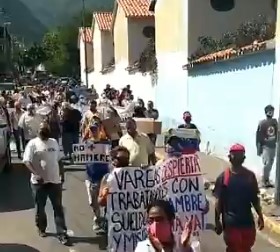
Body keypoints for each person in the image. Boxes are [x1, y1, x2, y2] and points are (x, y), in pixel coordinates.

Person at [23, 122, 69, 245]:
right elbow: (27, 161)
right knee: (40, 207)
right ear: (38, 131)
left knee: (58, 208)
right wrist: (35, 174)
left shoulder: (54, 142)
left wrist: (62, 174)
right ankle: (41, 227)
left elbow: (59, 159)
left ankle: (62, 233)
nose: (45, 131)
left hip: (55, 181)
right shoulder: (32, 144)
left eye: (47, 129)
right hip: (39, 183)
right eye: (43, 129)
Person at [213, 144, 264, 252]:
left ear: (229, 158)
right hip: (247, 224)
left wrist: (217, 221)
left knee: (233, 249)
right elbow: (255, 200)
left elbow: (219, 202)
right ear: (244, 158)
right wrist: (260, 216)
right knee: (246, 249)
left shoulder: (223, 177)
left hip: (231, 225)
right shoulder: (250, 176)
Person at [256, 105, 277, 188]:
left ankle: (267, 180)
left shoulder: (275, 122)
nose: (270, 112)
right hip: (265, 147)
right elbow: (258, 137)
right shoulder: (262, 123)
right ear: (266, 112)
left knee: (271, 163)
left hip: (273, 146)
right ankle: (264, 180)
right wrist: (258, 148)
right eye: (269, 110)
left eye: (272, 110)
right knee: (267, 163)